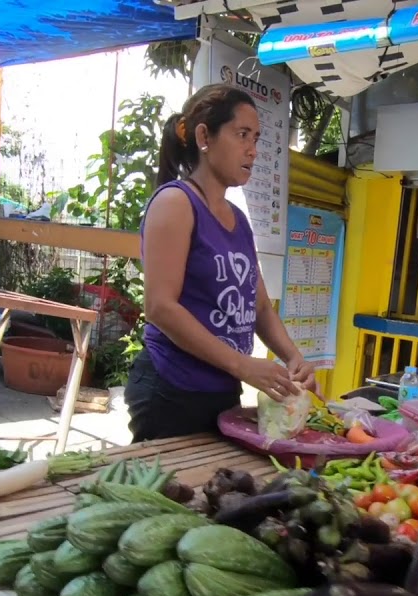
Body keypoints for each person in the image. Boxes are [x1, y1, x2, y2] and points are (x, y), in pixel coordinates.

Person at [126, 84, 315, 442]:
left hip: (222, 390)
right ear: (204, 136)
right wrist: (243, 365)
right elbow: (160, 307)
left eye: (256, 138)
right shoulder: (176, 203)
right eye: (242, 135)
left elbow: (259, 306)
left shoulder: (238, 221)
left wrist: (293, 357)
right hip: (171, 388)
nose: (252, 150)